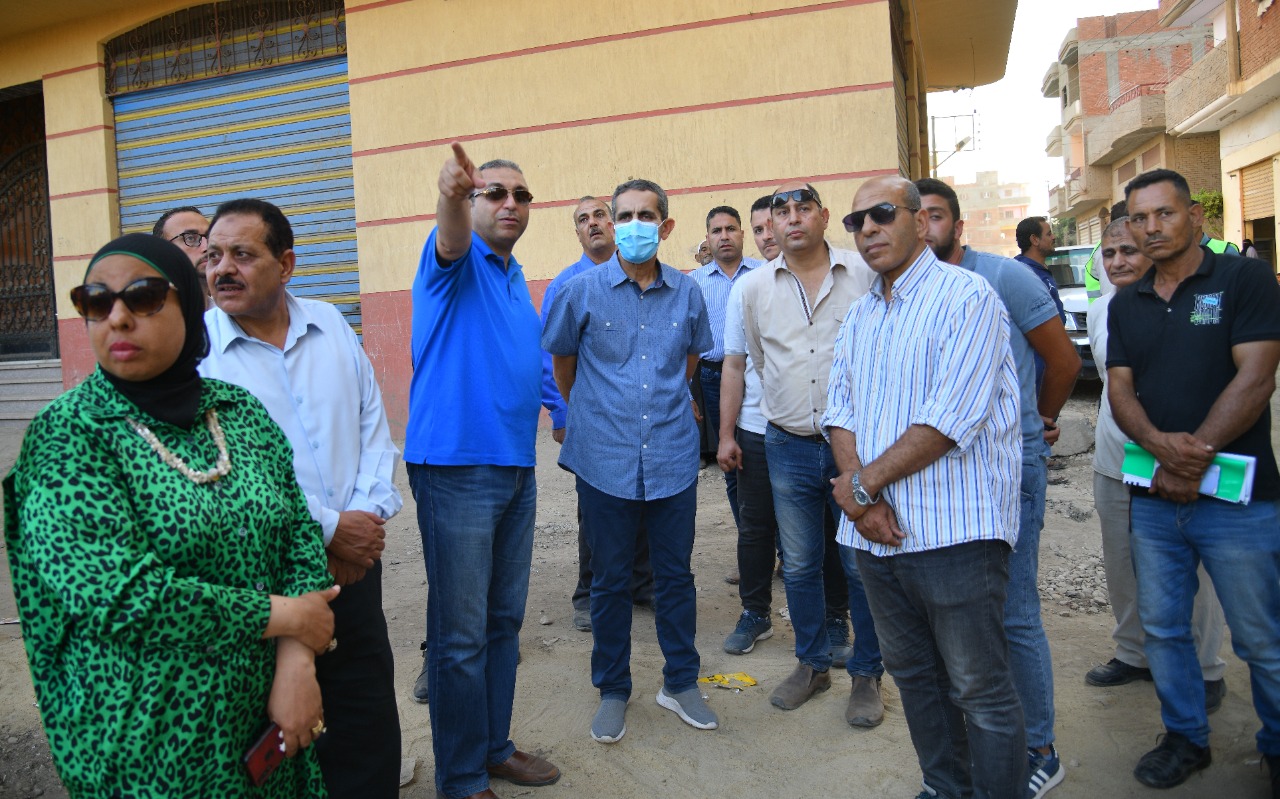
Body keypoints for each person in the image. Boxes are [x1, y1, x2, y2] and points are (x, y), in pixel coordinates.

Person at [4, 232, 339, 797]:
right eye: (95, 301)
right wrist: (286, 616)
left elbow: (298, 537)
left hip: (267, 719)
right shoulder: (68, 435)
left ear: (189, 303)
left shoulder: (239, 413)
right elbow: (121, 596)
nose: (118, 317)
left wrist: (296, 661)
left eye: (143, 297)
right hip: (147, 743)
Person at [826, 176, 1026, 799]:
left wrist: (860, 489)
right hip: (876, 538)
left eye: (882, 213)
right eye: (857, 221)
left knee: (979, 689)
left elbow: (949, 419)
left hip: (954, 534)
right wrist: (863, 501)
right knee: (915, 678)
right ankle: (945, 788)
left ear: (919, 220)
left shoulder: (967, 297)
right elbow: (839, 411)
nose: (869, 228)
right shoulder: (861, 314)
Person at [199, 198, 405, 798]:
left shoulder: (329, 322)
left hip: (354, 569)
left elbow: (372, 425)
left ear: (286, 264)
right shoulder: (197, 354)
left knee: (365, 717)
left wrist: (362, 521)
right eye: (214, 256)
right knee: (279, 733)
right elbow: (228, 478)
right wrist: (330, 529)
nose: (222, 269)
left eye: (242, 254)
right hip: (266, 584)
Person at [1108, 168, 1280, 791]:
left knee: (1260, 638)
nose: (1151, 227)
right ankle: (1185, 737)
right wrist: (1160, 449)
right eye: (1139, 217)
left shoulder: (1244, 280)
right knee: (1162, 629)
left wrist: (1196, 454)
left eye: (1165, 213)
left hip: (1238, 501)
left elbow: (1257, 378)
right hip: (1154, 498)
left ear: (1196, 216)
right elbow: (1119, 390)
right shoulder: (1127, 301)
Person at [916, 177, 1080, 798]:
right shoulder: (905, 290)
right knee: (954, 616)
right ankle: (976, 752)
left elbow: (1063, 361)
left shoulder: (1004, 278)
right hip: (941, 473)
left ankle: (1040, 749)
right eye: (915, 215)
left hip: (1009, 470)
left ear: (957, 227)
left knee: (1013, 613)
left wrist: (1037, 420)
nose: (924, 226)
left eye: (936, 216)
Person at [405, 144, 560, 799]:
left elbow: (531, 362)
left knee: (502, 624)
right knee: (460, 637)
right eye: (493, 192)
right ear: (470, 203)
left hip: (515, 468)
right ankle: (462, 777)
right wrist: (450, 195)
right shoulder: (456, 260)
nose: (510, 203)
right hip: (455, 469)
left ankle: (494, 747)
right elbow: (449, 234)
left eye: (521, 195)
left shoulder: (512, 275)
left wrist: (562, 412)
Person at [543, 178, 718, 744]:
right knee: (610, 581)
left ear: (665, 226)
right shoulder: (580, 291)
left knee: (676, 577)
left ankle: (680, 682)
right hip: (604, 458)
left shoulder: (688, 293)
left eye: (646, 215)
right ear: (613, 224)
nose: (633, 225)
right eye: (624, 216)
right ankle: (613, 688)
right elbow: (564, 367)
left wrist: (658, 403)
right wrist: (599, 413)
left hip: (671, 454)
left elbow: (689, 360)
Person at [727, 181, 884, 725]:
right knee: (798, 564)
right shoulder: (754, 289)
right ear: (771, 224)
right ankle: (812, 665)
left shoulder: (863, 274)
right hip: (786, 445)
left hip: (857, 449)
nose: (792, 218)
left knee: (860, 563)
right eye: (782, 211)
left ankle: (866, 674)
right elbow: (757, 361)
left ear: (824, 216)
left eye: (803, 208)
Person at [1085, 217, 1227, 713]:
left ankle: (1205, 668)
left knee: (1190, 571)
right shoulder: (1101, 311)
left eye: (1128, 251)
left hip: (1178, 461)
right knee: (1122, 565)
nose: (1118, 262)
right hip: (1114, 462)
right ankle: (1134, 653)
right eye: (1109, 253)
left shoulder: (1194, 305)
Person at [541, 196, 654, 635]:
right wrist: (563, 413)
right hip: (592, 422)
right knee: (595, 509)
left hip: (644, 420)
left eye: (600, 215)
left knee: (644, 499)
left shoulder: (644, 277)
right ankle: (588, 594)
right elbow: (551, 359)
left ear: (615, 225)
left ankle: (641, 584)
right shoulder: (566, 286)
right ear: (577, 233)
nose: (593, 224)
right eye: (583, 220)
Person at [718, 195, 784, 656]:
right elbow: (734, 366)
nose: (765, 236)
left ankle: (833, 619)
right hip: (757, 428)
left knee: (821, 529)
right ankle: (755, 613)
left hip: (818, 432)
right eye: (757, 229)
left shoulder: (837, 279)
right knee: (755, 527)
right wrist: (727, 435)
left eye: (769, 226)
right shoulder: (747, 288)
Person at [691, 205, 761, 582]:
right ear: (707, 238)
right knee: (732, 464)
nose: (724, 236)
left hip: (763, 378)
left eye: (731, 229)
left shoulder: (764, 273)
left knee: (770, 461)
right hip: (715, 379)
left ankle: (786, 552)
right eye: (716, 230)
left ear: (742, 234)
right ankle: (752, 552)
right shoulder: (694, 284)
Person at [1014, 216, 1065, 390]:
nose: (1053, 237)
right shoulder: (1022, 274)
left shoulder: (1039, 270)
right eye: (1049, 234)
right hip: (1034, 365)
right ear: (1034, 240)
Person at [153, 206, 210, 296]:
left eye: (209, 237)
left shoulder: (228, 304)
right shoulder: (145, 304)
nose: (207, 246)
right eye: (190, 238)